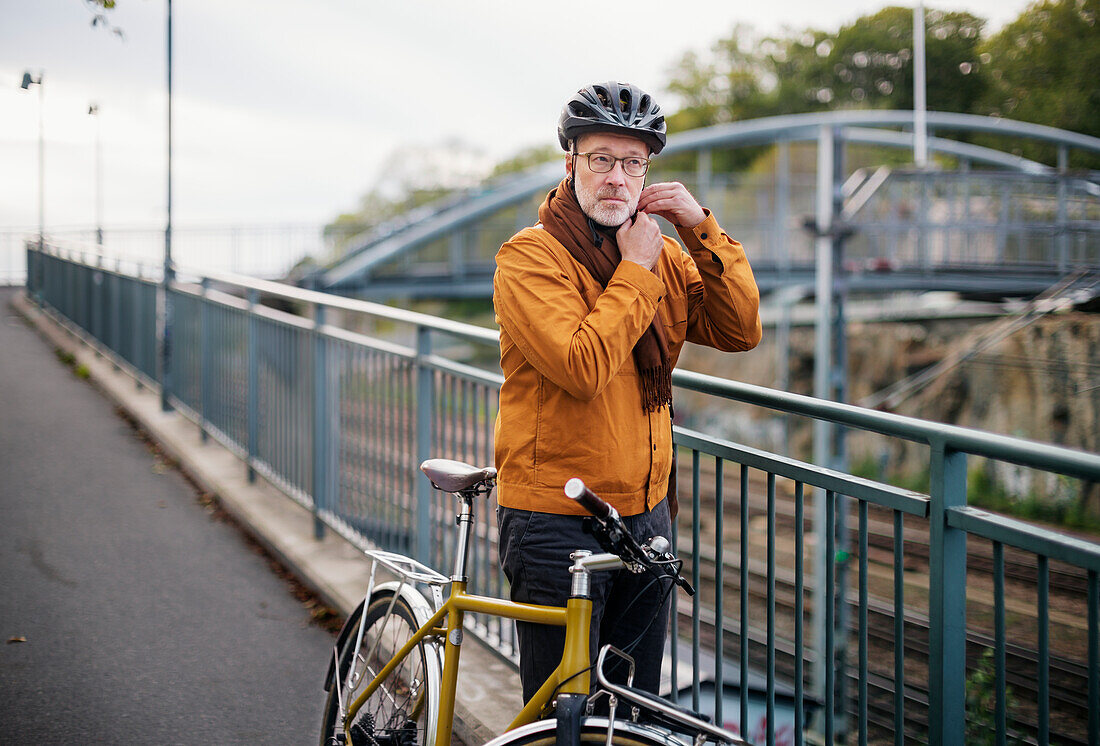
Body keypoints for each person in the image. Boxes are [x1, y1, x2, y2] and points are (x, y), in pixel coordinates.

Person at [492, 81, 762, 703]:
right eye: (601, 160)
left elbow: (739, 328)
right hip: (556, 520)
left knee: (630, 707)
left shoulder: (664, 253)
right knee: (562, 710)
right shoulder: (531, 258)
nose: (618, 178)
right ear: (572, 165)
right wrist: (636, 270)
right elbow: (581, 366)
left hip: (646, 519)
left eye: (633, 163)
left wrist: (700, 229)